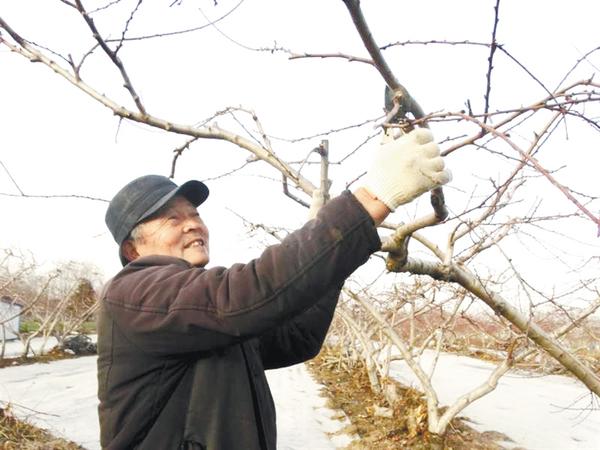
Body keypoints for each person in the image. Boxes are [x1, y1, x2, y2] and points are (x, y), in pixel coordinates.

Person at [97, 128, 451, 450]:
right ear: (133, 250)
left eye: (195, 215)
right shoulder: (133, 292)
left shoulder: (197, 314)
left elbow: (295, 337)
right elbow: (247, 293)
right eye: (173, 219)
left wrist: (331, 254)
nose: (192, 225)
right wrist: (372, 198)